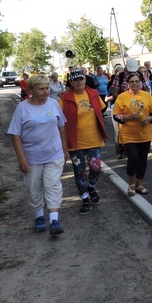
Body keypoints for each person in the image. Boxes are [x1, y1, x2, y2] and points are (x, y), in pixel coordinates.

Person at [7, 74, 68, 236]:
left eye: (47, 88)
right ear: (31, 90)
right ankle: (39, 216)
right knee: (34, 188)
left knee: (53, 185)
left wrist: (65, 149)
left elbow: (62, 127)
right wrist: (21, 158)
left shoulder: (54, 104)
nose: (45, 92)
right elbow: (15, 135)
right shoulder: (22, 108)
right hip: (32, 157)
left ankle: (54, 219)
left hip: (54, 154)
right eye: (41, 89)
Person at [59, 68, 107, 215]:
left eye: (81, 79)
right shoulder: (64, 98)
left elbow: (102, 110)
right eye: (75, 80)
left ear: (85, 80)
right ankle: (85, 198)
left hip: (93, 138)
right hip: (75, 141)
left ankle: (91, 187)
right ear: (71, 82)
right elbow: (60, 121)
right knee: (79, 172)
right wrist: (64, 144)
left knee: (96, 167)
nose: (79, 82)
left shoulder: (93, 93)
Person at [113, 72, 152, 196]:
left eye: (137, 81)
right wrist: (129, 117)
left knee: (143, 160)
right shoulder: (122, 97)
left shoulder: (147, 95)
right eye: (132, 81)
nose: (134, 83)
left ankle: (139, 184)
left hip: (145, 134)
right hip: (128, 134)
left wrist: (149, 119)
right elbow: (116, 115)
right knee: (133, 158)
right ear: (127, 84)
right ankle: (131, 184)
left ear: (141, 82)